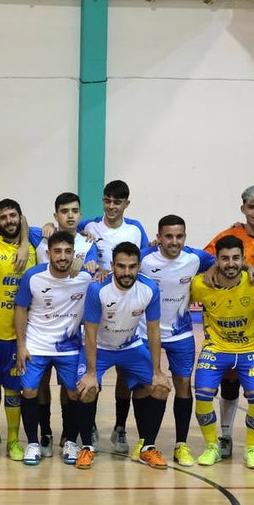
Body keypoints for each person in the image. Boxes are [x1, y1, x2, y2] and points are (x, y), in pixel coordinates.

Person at [189, 235, 254, 470]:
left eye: (235, 258)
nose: (230, 263)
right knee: (202, 396)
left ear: (243, 259)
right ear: (216, 261)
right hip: (215, 349)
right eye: (224, 259)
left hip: (250, 349)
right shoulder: (201, 284)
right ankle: (212, 446)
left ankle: (251, 450)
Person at [203, 185, 254, 457]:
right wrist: (214, 265)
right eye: (252, 206)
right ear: (243, 209)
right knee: (229, 381)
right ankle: (225, 436)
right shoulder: (229, 236)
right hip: (231, 324)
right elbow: (205, 259)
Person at [77, 242, 170, 470]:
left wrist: (158, 371)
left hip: (131, 347)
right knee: (87, 389)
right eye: (121, 266)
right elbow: (89, 333)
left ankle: (147, 447)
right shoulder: (97, 289)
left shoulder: (150, 290)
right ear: (112, 266)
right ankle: (87, 446)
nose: (126, 272)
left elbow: (154, 330)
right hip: (100, 348)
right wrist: (90, 373)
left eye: (132, 266)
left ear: (139, 266)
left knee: (160, 387)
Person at [77, 179, 151, 455]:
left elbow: (145, 258)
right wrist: (48, 229)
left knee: (125, 372)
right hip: (98, 304)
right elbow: (64, 230)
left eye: (117, 202)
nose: (111, 206)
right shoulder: (89, 227)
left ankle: (120, 427)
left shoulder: (135, 229)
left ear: (126, 204)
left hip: (128, 308)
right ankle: (90, 428)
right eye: (107, 200)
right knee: (90, 376)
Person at [139, 215, 216, 467]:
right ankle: (144, 442)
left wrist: (215, 268)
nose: (174, 241)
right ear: (159, 237)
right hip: (145, 332)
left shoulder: (195, 258)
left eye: (179, 236)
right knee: (145, 386)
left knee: (183, 384)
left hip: (181, 333)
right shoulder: (144, 258)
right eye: (169, 236)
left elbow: (223, 262)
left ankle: (181, 444)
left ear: (185, 236)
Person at [13, 230, 94, 466]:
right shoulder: (33, 276)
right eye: (57, 251)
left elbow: (112, 277)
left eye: (68, 252)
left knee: (73, 393)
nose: (63, 256)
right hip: (36, 346)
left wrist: (93, 267)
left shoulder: (85, 277)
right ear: (48, 254)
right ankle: (33, 443)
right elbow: (20, 309)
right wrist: (21, 345)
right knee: (29, 391)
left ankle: (70, 440)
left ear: (73, 254)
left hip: (69, 348)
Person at [31, 192, 98, 457]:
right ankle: (44, 430)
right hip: (41, 323)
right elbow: (21, 225)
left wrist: (89, 265)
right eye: (64, 211)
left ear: (80, 215)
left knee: (70, 384)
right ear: (55, 214)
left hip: (73, 326)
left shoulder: (88, 242)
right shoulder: (42, 237)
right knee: (40, 381)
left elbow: (92, 271)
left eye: (74, 211)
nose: (70, 215)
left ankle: (70, 433)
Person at [0, 199, 37, 461]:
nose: (9, 221)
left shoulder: (35, 249)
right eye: (2, 217)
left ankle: (14, 440)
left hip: (20, 336)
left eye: (13, 216)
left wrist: (26, 241)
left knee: (14, 391)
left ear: (20, 217)